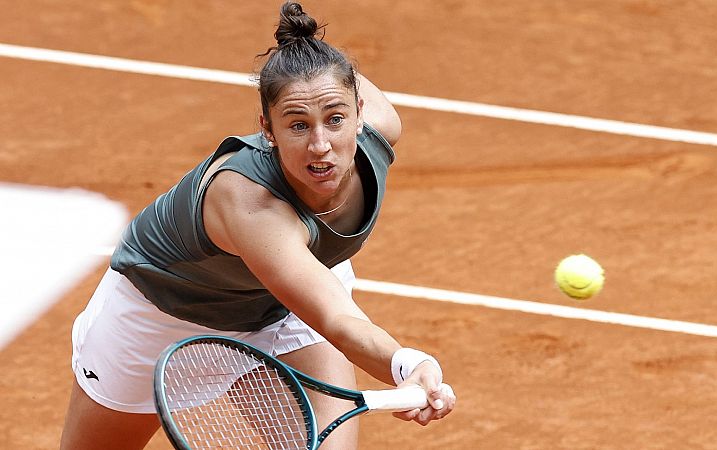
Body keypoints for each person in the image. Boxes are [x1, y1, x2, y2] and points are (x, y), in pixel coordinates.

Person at [59, 2, 456, 449]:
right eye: (298, 125)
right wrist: (407, 363)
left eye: (336, 118)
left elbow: (321, 298)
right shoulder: (249, 203)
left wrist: (302, 51)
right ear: (267, 128)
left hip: (292, 294)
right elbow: (336, 316)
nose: (321, 145)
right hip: (162, 316)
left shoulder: (380, 128)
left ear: (361, 112)